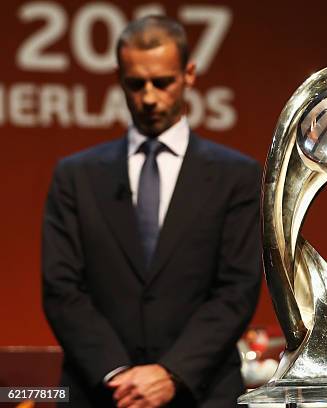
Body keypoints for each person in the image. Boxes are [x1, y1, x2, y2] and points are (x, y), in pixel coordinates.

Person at [42, 15, 262, 408]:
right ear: (119, 78)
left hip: (200, 391)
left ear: (189, 74)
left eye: (162, 82)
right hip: (99, 393)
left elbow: (237, 289)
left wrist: (171, 372)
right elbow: (61, 288)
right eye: (135, 83)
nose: (148, 97)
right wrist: (116, 373)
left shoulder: (237, 176)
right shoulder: (75, 176)